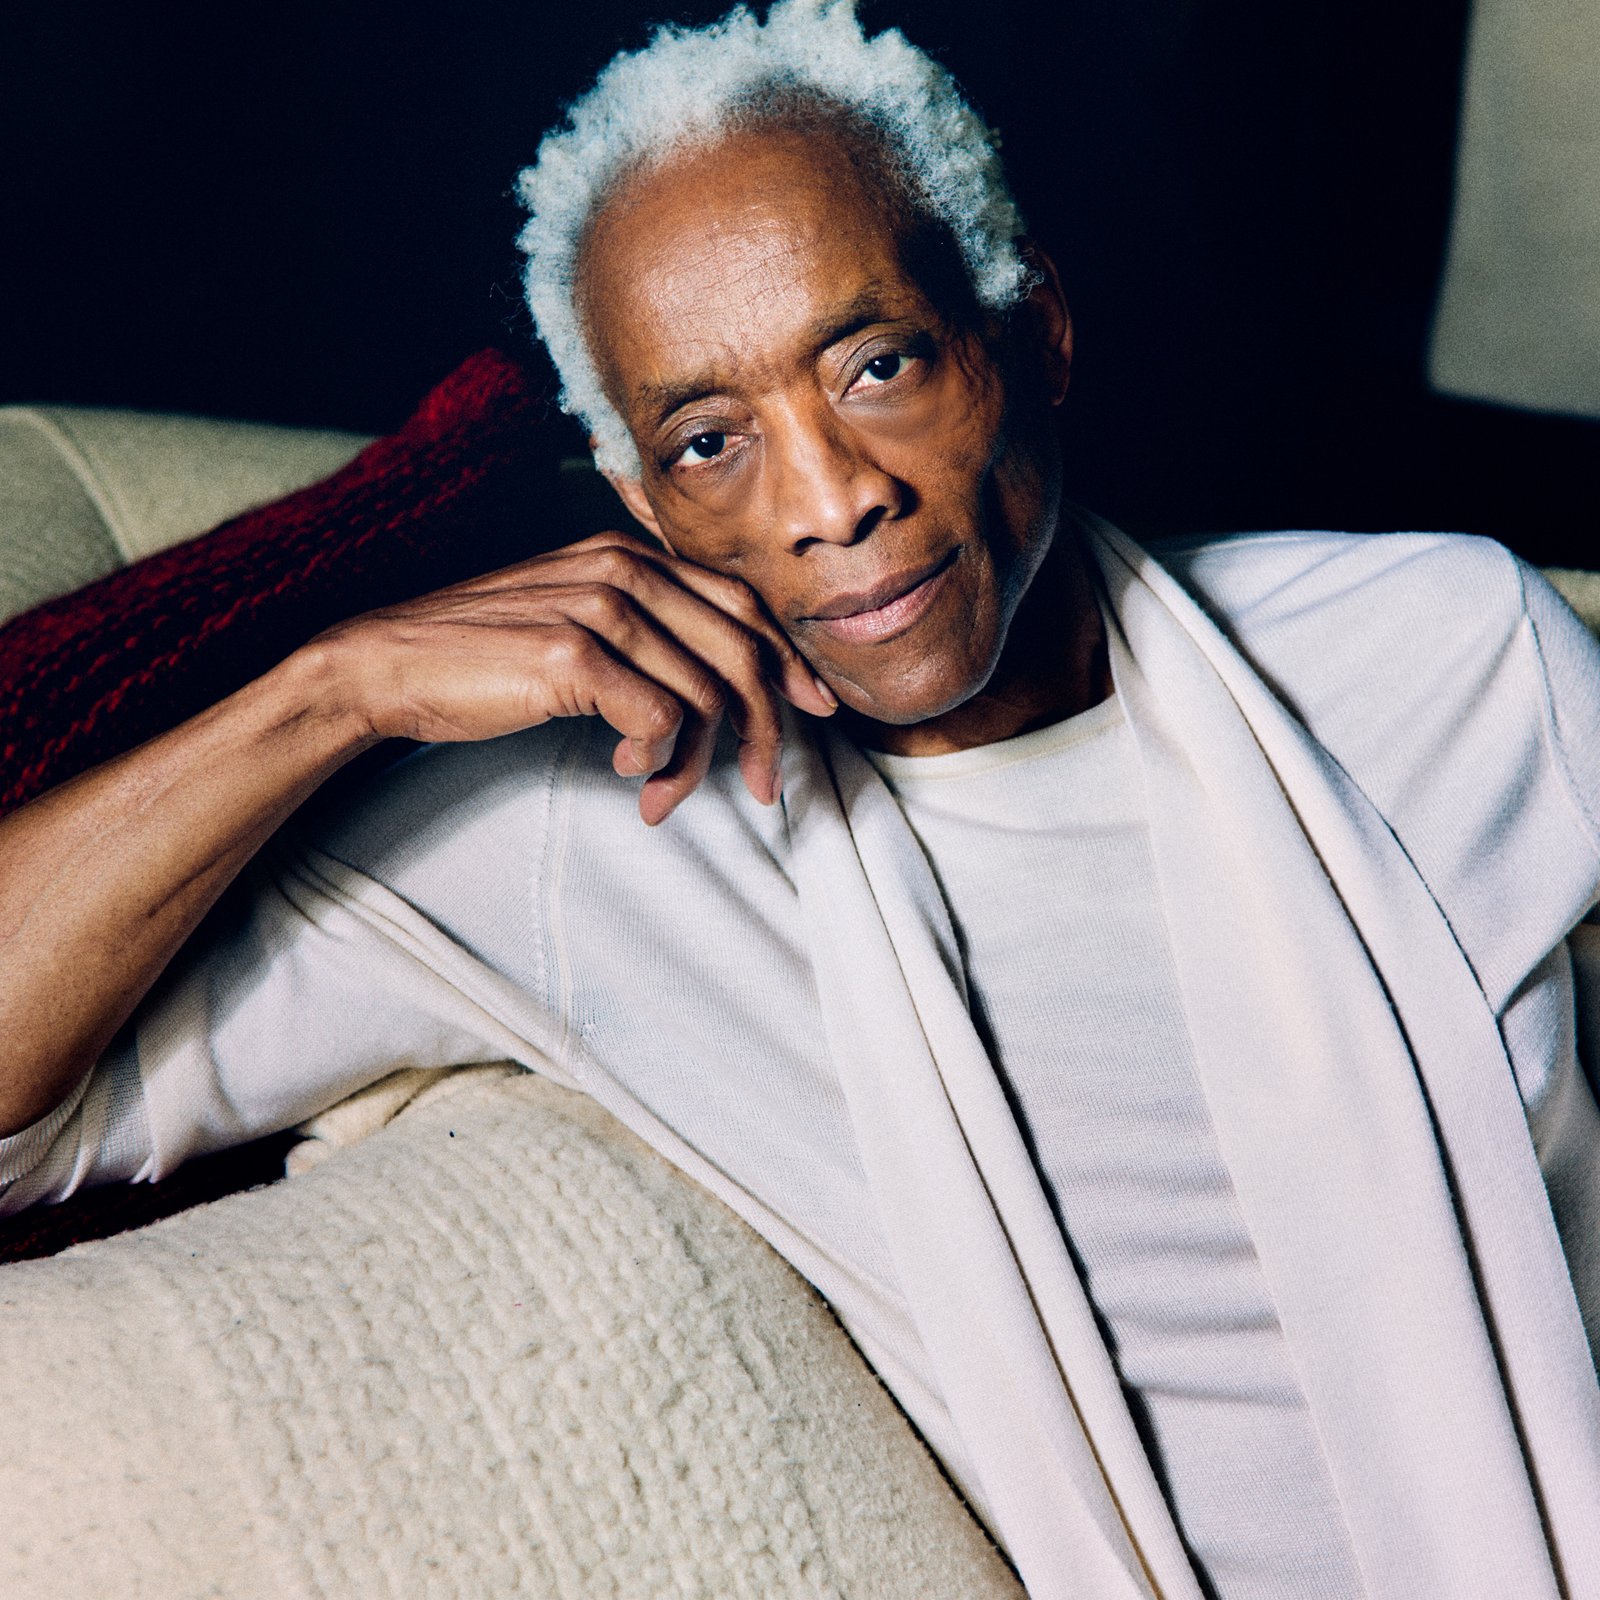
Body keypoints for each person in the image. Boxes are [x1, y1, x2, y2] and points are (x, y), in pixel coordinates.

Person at [2, 2, 1598, 1594]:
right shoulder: (593, 836)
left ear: (1032, 330)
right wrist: (327, 692)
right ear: (638, 502)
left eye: (878, 365)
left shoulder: (1448, 654)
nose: (832, 500)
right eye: (711, 442)